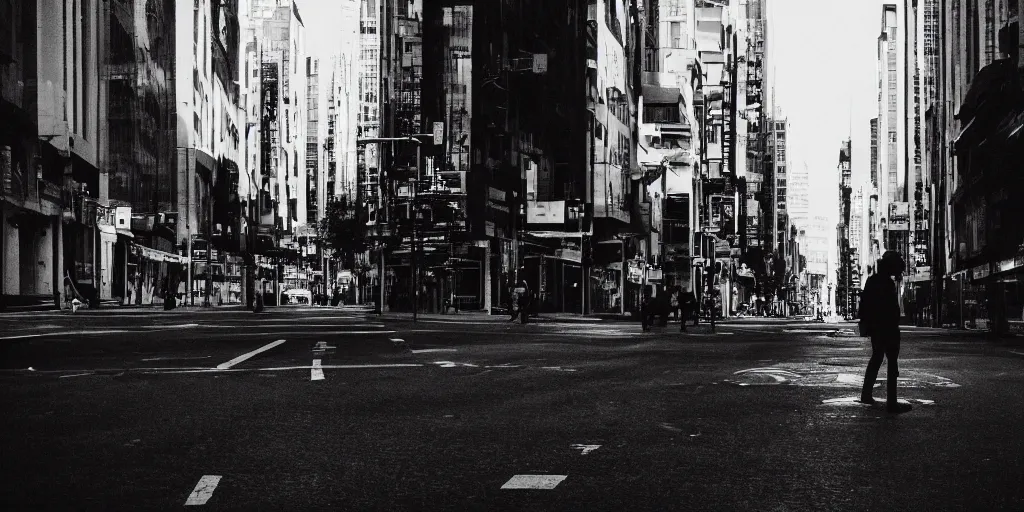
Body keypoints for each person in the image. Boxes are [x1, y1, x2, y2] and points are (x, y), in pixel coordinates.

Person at [859, 250, 912, 413]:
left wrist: (866, 324)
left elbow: (864, 305)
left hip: (876, 327)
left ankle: (866, 394)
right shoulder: (886, 284)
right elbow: (890, 309)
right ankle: (892, 402)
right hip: (887, 328)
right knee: (891, 363)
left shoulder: (872, 280)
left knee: (877, 357)